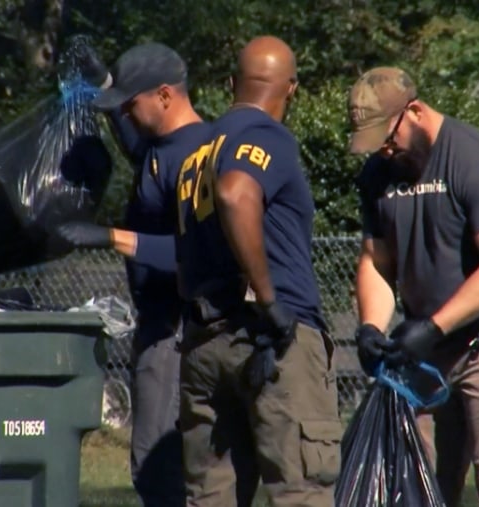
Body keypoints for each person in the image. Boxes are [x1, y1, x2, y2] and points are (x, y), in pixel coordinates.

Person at [348, 66, 479, 507]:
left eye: (389, 139)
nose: (384, 153)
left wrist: (433, 326)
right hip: (428, 350)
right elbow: (376, 262)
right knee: (416, 485)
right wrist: (370, 326)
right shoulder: (377, 175)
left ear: (415, 112)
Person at [175, 35, 341, 507]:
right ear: (292, 89)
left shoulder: (197, 152)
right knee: (301, 490)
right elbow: (235, 193)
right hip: (271, 339)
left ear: (231, 84)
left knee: (211, 494)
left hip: (206, 341)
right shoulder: (266, 134)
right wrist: (269, 301)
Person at [56, 42, 210, 507]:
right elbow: (138, 146)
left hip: (178, 329)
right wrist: (105, 84)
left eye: (131, 103)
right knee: (157, 465)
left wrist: (110, 237)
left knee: (156, 465)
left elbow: (197, 256)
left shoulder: (198, 156)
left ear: (164, 96)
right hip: (157, 323)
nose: (126, 113)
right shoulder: (162, 146)